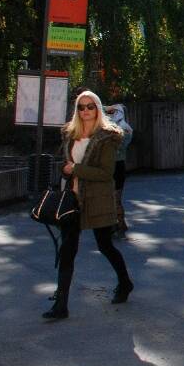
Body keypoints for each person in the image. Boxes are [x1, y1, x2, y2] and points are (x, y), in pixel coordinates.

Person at [42, 91, 133, 321]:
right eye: (81, 107)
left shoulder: (107, 136)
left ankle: (125, 283)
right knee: (67, 251)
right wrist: (66, 169)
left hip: (97, 198)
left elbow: (106, 173)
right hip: (72, 200)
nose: (85, 111)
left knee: (105, 246)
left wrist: (76, 170)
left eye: (90, 107)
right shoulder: (70, 133)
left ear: (98, 108)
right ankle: (61, 305)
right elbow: (68, 163)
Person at [103, 104, 134, 239]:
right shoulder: (124, 128)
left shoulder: (121, 129)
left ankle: (118, 224)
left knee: (113, 198)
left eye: (113, 112)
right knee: (113, 198)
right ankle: (117, 224)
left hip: (114, 165)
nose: (110, 114)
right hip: (116, 165)